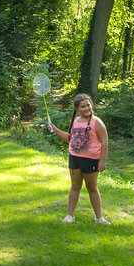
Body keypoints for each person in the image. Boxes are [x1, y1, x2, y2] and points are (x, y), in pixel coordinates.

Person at [48, 93, 109, 224]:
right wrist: (55, 129)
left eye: (88, 105)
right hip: (74, 158)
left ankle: (99, 218)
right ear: (77, 109)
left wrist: (102, 161)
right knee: (75, 186)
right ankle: (70, 216)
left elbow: (104, 142)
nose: (87, 108)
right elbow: (70, 138)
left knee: (92, 188)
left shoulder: (96, 122)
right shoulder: (75, 121)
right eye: (83, 106)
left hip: (91, 160)